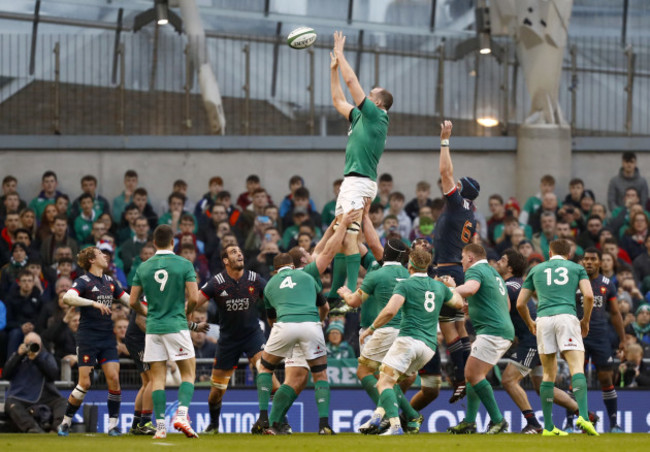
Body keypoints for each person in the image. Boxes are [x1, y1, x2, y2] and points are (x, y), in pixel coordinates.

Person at [359, 248, 462, 436]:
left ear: (410, 265)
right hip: (429, 348)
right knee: (392, 380)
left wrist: (371, 329)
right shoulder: (439, 287)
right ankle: (378, 416)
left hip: (408, 341)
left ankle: (395, 426)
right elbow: (459, 304)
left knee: (383, 383)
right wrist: (452, 287)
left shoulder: (405, 285)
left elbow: (390, 311)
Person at [496, 248, 593, 434]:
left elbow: (499, 309)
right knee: (543, 386)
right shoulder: (516, 284)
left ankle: (533, 423)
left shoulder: (508, 287)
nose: (497, 262)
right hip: (537, 336)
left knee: (509, 380)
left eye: (502, 260)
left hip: (532, 340)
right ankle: (584, 412)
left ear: (510, 267)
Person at [328, 30, 392, 306]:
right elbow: (338, 100)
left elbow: (352, 81)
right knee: (340, 233)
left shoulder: (377, 116)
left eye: (372, 93)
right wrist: (334, 70)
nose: (367, 93)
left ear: (377, 103)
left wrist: (341, 55)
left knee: (350, 233)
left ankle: (350, 290)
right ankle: (336, 292)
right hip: (351, 180)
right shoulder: (360, 116)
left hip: (361, 180)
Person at [338, 239, 424, 432]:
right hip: (409, 333)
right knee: (388, 379)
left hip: (385, 331)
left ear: (385, 254)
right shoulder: (410, 274)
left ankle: (405, 415)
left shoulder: (376, 274)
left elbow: (353, 302)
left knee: (366, 373)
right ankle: (403, 417)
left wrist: (344, 293)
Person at [129, 224, 202, 439]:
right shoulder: (184, 264)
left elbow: (132, 301)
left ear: (154, 243)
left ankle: (160, 427)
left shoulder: (143, 267)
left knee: (157, 379)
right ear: (173, 242)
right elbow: (195, 298)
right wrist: (187, 313)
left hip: (153, 329)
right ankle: (181, 414)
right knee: (189, 373)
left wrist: (147, 312)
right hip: (176, 325)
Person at [257, 253, 334, 435]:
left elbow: (271, 320)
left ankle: (263, 417)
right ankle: (324, 425)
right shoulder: (307, 277)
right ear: (292, 266)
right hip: (311, 325)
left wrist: (283, 337)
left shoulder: (269, 285)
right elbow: (325, 308)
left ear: (275, 270)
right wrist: (319, 322)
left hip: (284, 326)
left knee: (265, 368)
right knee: (320, 375)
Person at [195, 244, 268, 434]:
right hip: (228, 340)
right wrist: (184, 319)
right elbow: (194, 302)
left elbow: (274, 296)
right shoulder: (217, 282)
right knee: (216, 392)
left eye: (240, 251)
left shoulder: (254, 279)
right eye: (233, 252)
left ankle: (277, 420)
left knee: (263, 370)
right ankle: (213, 424)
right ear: (225, 261)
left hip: (253, 334)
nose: (239, 253)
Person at [58, 246, 130, 437]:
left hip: (107, 337)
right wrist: (92, 303)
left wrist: (151, 309)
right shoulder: (83, 281)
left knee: (114, 379)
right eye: (100, 254)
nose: (105, 256)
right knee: (85, 383)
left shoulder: (111, 281)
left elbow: (129, 301)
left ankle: (113, 426)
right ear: (91, 260)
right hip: (88, 336)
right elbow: (68, 297)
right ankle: (66, 421)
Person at [433, 120, 479, 402]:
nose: (453, 186)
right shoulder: (470, 213)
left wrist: (445, 141)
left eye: (459, 186)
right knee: (460, 327)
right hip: (455, 268)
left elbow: (444, 172)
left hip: (448, 270)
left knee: (449, 328)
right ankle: (465, 377)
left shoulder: (457, 204)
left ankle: (462, 378)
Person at [445, 244, 513, 434]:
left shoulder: (475, 270)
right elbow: (505, 304)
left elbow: (471, 288)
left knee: (473, 374)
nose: (461, 261)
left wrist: (450, 290)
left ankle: (498, 421)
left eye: (462, 256)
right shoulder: (493, 272)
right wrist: (474, 307)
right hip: (499, 329)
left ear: (470, 258)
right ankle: (469, 422)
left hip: (493, 331)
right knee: (473, 375)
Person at [575, 247, 626, 432]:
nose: (588, 262)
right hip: (577, 337)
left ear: (599, 262)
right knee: (577, 378)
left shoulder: (607, 283)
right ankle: (574, 421)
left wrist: (622, 339)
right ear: (582, 262)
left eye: (592, 259)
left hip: (600, 337)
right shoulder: (574, 282)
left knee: (606, 378)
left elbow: (615, 313)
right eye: (586, 259)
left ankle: (614, 424)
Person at [4, 332, 67, 433]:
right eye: (28, 344)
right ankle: (32, 428)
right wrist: (18, 355)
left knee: (62, 402)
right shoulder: (17, 356)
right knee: (11, 404)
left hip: (46, 396)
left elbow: (53, 375)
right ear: (23, 344)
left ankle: (58, 428)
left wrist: (37, 358)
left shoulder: (46, 356)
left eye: (35, 344)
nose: (31, 347)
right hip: (21, 396)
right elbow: (6, 375)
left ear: (40, 345)